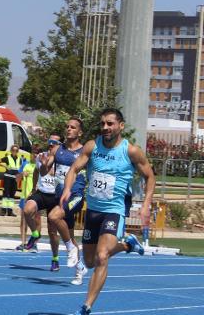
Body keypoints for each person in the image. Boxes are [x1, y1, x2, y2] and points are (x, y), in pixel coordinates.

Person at [61, 108, 155, 315]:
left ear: (121, 126)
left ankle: (86, 307)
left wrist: (146, 204)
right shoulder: (92, 146)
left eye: (110, 123)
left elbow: (150, 176)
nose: (105, 127)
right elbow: (74, 169)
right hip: (93, 210)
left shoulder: (131, 151)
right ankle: (127, 245)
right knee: (90, 261)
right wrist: (68, 188)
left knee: (102, 257)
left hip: (115, 209)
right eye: (102, 123)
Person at [39, 118, 88, 281]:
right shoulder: (58, 150)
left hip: (75, 195)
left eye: (72, 127)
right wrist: (44, 164)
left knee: (53, 217)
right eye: (67, 126)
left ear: (79, 132)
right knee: (70, 235)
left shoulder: (84, 152)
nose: (68, 129)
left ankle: (70, 249)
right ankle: (80, 270)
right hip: (61, 197)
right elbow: (44, 172)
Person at [21, 134, 61, 260]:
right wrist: (33, 188)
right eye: (50, 141)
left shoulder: (63, 160)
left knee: (52, 232)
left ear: (59, 145)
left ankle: (55, 258)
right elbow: (36, 172)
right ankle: (35, 233)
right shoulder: (41, 156)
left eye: (54, 142)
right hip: (42, 193)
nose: (51, 144)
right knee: (27, 210)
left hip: (55, 197)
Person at [17, 145, 39, 252]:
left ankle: (34, 243)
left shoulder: (40, 166)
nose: (34, 155)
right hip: (24, 195)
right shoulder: (25, 164)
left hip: (34, 196)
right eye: (33, 153)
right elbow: (17, 178)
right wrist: (22, 174)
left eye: (36, 153)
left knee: (35, 220)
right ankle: (23, 242)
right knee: (23, 220)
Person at [0, 144, 25, 217]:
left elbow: (21, 169)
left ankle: (10, 210)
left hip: (15, 178)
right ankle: (4, 210)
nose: (14, 151)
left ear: (18, 151)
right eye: (13, 150)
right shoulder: (7, 158)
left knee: (12, 194)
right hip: (8, 177)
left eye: (16, 150)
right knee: (6, 193)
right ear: (11, 150)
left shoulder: (20, 159)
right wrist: (5, 166)